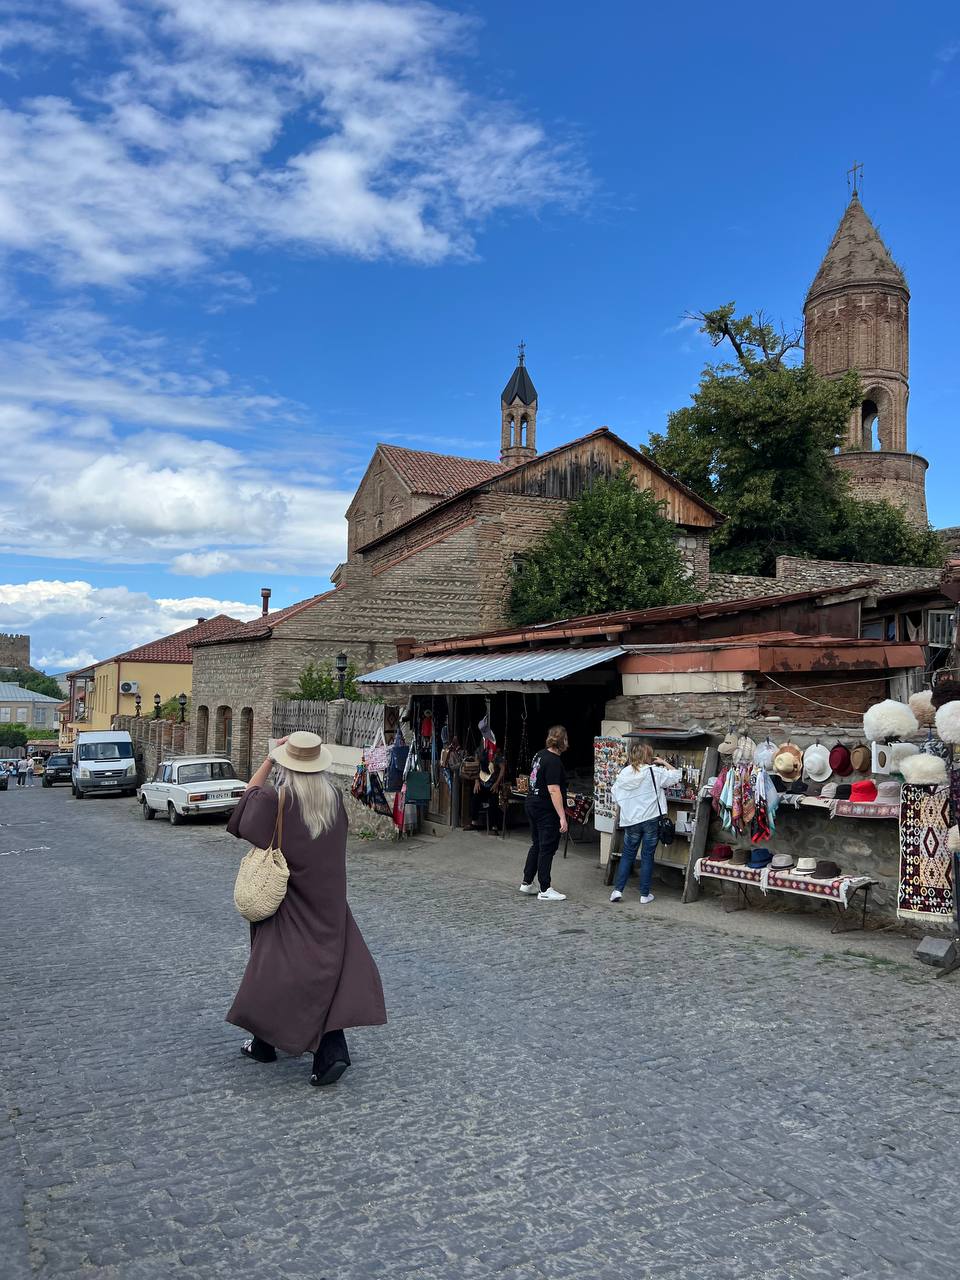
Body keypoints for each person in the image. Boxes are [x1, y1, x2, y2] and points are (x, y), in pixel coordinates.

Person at [225, 731, 387, 1086]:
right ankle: (266, 1043)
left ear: (288, 765)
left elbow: (246, 800)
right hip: (328, 904)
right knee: (320, 971)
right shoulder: (333, 800)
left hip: (289, 904)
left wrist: (270, 758)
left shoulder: (275, 800)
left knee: (275, 971)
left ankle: (329, 1048)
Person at [609, 743, 682, 904]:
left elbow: (615, 794)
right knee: (647, 855)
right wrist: (663, 762)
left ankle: (617, 890)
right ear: (647, 756)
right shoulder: (654, 771)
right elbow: (677, 775)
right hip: (650, 818)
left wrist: (630, 805)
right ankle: (644, 894)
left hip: (631, 820)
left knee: (628, 855)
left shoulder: (625, 773)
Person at [519, 725, 569, 902]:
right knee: (547, 847)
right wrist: (562, 816)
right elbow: (554, 790)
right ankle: (545, 888)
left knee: (537, 844)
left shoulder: (539, 754)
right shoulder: (554, 761)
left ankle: (527, 882)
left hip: (532, 802)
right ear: (563, 741)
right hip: (545, 808)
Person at [470, 744, 506, 833]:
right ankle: (473, 823)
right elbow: (476, 766)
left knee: (494, 801)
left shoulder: (496, 753)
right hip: (481, 782)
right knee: (475, 797)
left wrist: (497, 783)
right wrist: (476, 781)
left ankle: (493, 826)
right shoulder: (480, 750)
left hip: (492, 784)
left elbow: (502, 768)